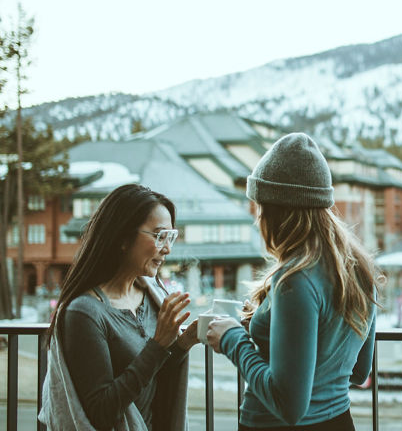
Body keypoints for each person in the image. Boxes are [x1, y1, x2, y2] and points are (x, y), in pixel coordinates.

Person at [206, 133, 378, 430]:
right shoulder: (358, 271)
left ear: (279, 212)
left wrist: (232, 339)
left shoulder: (295, 281)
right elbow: (359, 371)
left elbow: (289, 406)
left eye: (259, 208)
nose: (257, 219)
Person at [42, 183, 197, 430]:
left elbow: (154, 379)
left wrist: (183, 342)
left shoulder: (152, 297)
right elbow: (100, 412)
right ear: (123, 238)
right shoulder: (85, 313)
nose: (167, 248)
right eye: (159, 236)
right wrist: (157, 345)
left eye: (171, 237)